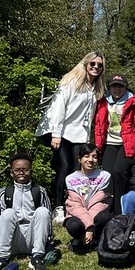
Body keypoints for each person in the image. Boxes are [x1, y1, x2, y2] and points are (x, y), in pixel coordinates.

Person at [37, 51, 106, 222]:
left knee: (77, 168)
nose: (96, 67)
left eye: (99, 65)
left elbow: (88, 116)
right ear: (85, 64)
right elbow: (59, 107)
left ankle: (73, 204)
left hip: (78, 134)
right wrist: (56, 134)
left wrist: (87, 138)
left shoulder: (95, 88)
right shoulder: (71, 81)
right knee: (64, 165)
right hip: (59, 131)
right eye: (93, 64)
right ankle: (58, 206)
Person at [0, 152, 53, 270]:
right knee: (7, 213)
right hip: (13, 238)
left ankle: (37, 257)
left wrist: (49, 241)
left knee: (43, 211)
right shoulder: (5, 192)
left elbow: (47, 220)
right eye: (17, 170)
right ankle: (3, 258)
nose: (21, 173)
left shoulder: (39, 191)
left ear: (31, 171)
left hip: (34, 238)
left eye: (25, 169)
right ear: (12, 173)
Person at [93, 75, 135, 212]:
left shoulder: (132, 103)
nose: (117, 89)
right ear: (110, 87)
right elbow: (98, 125)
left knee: (119, 172)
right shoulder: (103, 102)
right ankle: (107, 209)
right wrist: (97, 145)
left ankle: (119, 210)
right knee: (107, 175)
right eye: (114, 86)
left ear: (125, 88)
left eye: (120, 86)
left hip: (127, 144)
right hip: (109, 142)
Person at [63, 143, 112, 252]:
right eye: (86, 156)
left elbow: (98, 203)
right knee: (73, 225)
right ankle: (80, 238)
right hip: (78, 213)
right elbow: (75, 205)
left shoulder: (104, 176)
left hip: (96, 212)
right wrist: (89, 226)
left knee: (104, 218)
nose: (90, 160)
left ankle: (96, 239)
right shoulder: (70, 179)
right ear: (79, 159)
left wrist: (90, 228)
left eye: (94, 157)